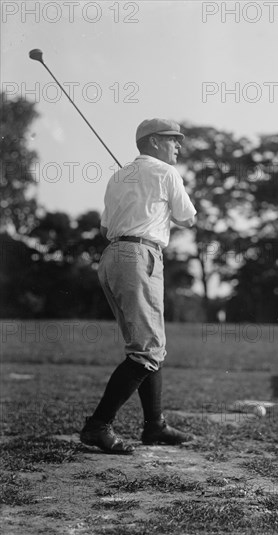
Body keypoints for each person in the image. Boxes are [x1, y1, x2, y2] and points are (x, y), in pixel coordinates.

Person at [80, 118, 197, 454]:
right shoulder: (165, 173)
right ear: (154, 142)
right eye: (174, 140)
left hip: (113, 257)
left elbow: (105, 228)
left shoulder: (119, 176)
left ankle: (155, 426)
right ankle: (98, 425)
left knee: (148, 346)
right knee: (146, 349)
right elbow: (188, 217)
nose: (178, 146)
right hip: (140, 255)